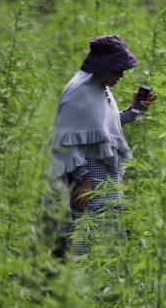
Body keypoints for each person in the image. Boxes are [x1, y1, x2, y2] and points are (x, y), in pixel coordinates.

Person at [45, 34, 157, 265]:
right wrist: (84, 180)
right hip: (89, 184)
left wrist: (136, 111)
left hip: (105, 182)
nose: (122, 75)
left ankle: (102, 293)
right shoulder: (79, 92)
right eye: (119, 69)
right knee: (85, 240)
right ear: (107, 66)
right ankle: (80, 293)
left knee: (106, 240)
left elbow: (103, 127)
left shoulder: (99, 89)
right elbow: (66, 142)